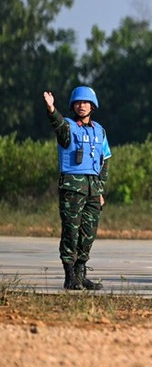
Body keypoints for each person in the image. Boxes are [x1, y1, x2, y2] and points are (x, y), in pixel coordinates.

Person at [43, 86, 111, 290]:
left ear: (92, 105)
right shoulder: (68, 128)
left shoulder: (100, 130)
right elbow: (58, 123)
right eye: (78, 103)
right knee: (71, 232)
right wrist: (51, 109)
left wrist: (100, 190)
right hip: (73, 188)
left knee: (88, 233)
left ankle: (81, 274)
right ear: (73, 106)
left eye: (85, 102)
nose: (81, 106)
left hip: (92, 189)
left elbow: (105, 160)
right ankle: (69, 275)